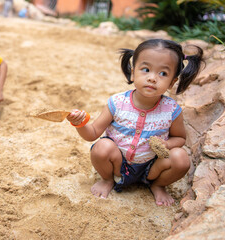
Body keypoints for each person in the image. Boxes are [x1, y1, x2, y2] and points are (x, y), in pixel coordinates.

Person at [67, 39, 203, 206]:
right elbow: (93, 133)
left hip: (152, 167)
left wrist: (166, 145)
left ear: (172, 82)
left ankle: (158, 185)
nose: (153, 78)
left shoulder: (172, 110)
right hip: (119, 164)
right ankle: (108, 180)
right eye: (146, 70)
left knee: (181, 159)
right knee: (102, 147)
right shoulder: (117, 103)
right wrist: (80, 124)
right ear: (132, 73)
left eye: (163, 74)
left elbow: (180, 139)